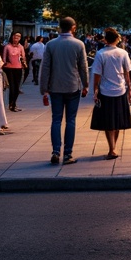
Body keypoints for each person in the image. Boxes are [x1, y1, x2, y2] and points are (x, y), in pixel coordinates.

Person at [40, 16, 89, 165]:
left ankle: (55, 151)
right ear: (73, 28)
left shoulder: (50, 44)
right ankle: (68, 154)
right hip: (73, 86)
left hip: (55, 87)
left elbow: (45, 67)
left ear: (59, 27)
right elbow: (83, 67)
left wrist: (44, 89)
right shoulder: (79, 44)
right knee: (71, 120)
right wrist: (86, 84)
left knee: (56, 119)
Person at [90, 27, 131, 159]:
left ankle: (112, 148)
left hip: (105, 90)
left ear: (106, 40)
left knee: (108, 121)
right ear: (116, 39)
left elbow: (97, 74)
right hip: (120, 90)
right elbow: (127, 72)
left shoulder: (101, 54)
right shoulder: (123, 53)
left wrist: (95, 90)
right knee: (118, 120)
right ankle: (114, 147)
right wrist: (129, 88)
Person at [2, 32, 27, 112]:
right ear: (12, 36)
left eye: (19, 36)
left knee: (17, 88)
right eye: (15, 36)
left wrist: (23, 62)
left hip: (18, 68)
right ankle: (11, 104)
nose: (16, 38)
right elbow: (4, 58)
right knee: (12, 87)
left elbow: (23, 57)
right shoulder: (7, 47)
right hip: (9, 69)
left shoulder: (21, 47)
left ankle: (13, 104)